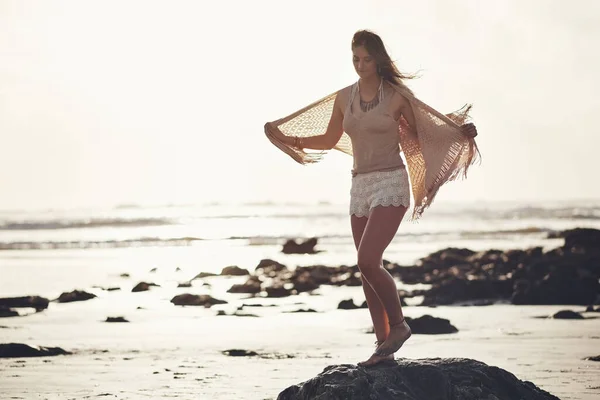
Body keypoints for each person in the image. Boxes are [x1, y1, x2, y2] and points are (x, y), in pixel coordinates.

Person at [265, 30, 478, 367]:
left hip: (391, 183)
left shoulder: (395, 96)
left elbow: (427, 128)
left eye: (365, 59)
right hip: (359, 186)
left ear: (378, 59)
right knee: (367, 272)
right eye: (355, 59)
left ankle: (399, 326)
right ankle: (383, 349)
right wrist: (294, 140)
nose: (360, 65)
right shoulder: (343, 97)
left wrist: (457, 130)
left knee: (367, 260)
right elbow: (331, 137)